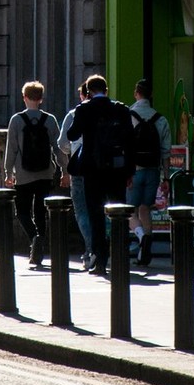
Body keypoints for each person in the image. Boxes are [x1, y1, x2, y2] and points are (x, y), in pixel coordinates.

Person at [65, 74, 136, 276]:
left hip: (92, 170)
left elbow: (72, 135)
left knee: (95, 215)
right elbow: (131, 143)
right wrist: (129, 171)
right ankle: (121, 256)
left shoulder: (84, 109)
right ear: (106, 90)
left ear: (88, 92)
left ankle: (100, 259)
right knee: (119, 215)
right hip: (117, 170)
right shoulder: (121, 109)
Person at [4, 81, 63, 269]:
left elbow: (11, 149)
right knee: (40, 211)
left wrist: (8, 172)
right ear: (41, 99)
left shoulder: (17, 120)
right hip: (46, 173)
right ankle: (40, 246)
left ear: (24, 97)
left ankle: (34, 238)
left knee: (22, 211)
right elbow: (58, 148)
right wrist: (65, 170)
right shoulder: (50, 119)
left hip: (23, 173)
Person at [126, 79, 170, 266]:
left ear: (136, 93)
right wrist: (166, 178)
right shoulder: (160, 119)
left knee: (130, 212)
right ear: (151, 95)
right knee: (145, 208)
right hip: (153, 170)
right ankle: (147, 249)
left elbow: (124, 147)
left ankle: (141, 236)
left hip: (134, 170)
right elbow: (166, 152)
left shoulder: (129, 116)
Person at [58, 82, 98, 271]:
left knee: (81, 210)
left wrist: (73, 150)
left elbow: (62, 142)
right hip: (103, 168)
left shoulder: (75, 113)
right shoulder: (110, 110)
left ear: (84, 95)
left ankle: (91, 250)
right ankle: (102, 248)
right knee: (101, 210)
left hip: (81, 167)